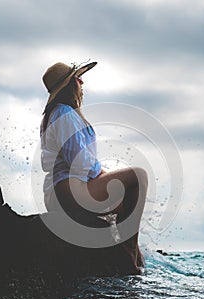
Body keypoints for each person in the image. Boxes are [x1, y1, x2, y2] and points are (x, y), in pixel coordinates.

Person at [40, 60, 148, 274]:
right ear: (69, 86)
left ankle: (128, 249)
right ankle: (129, 248)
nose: (82, 82)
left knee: (123, 196)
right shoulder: (64, 113)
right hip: (68, 189)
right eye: (77, 79)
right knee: (139, 176)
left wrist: (103, 176)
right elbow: (79, 163)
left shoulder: (61, 114)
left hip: (64, 190)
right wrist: (102, 174)